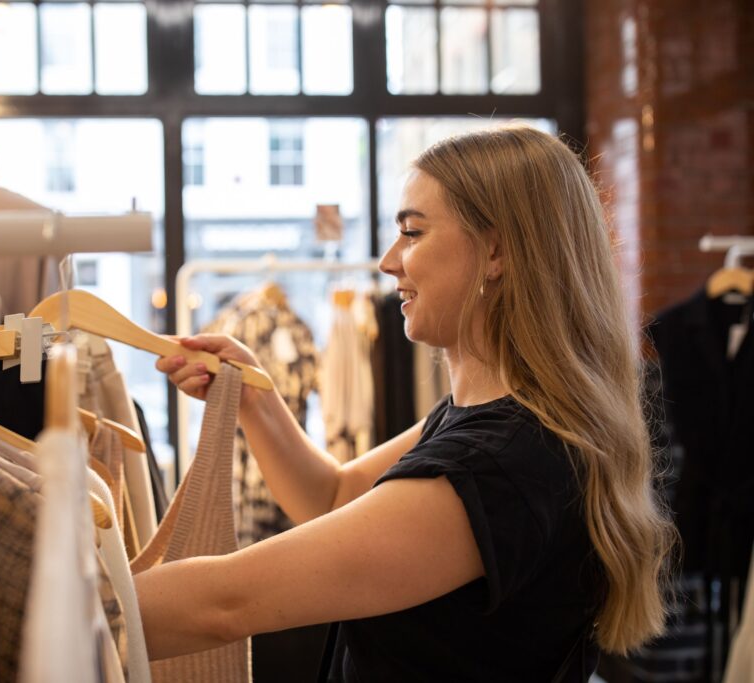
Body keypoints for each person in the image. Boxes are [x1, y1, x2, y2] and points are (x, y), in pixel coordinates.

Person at [134, 125, 676, 681]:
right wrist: (254, 400)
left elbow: (228, 602)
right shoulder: (490, 425)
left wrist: (71, 602)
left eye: (412, 233)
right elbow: (334, 496)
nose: (388, 261)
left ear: (496, 250)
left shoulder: (496, 465)